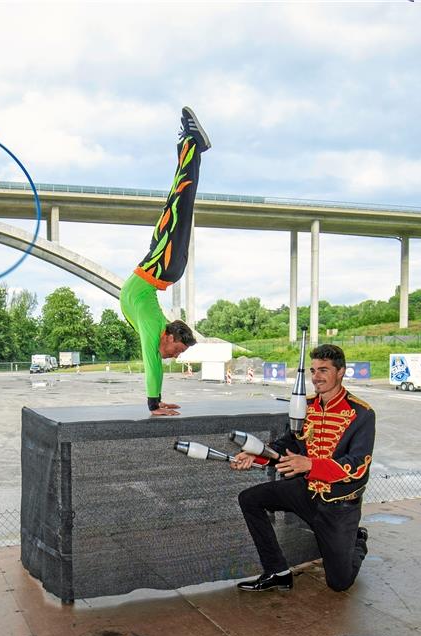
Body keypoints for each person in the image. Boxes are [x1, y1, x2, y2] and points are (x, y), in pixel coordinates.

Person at [231, 344, 374, 593]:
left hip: (339, 505)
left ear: (341, 372)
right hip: (305, 491)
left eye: (324, 370)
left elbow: (357, 466)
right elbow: (285, 447)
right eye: (313, 370)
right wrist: (255, 456)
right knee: (250, 499)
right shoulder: (303, 405)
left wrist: (309, 464)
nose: (316, 377)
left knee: (339, 584)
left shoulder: (361, 413)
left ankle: (357, 541)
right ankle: (277, 570)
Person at [119, 107, 207, 416]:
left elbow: (153, 360)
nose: (172, 357)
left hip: (160, 268)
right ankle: (191, 144)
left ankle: (190, 145)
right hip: (162, 266)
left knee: (179, 202)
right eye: (177, 350)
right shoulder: (154, 325)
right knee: (180, 201)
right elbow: (153, 361)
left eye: (177, 354)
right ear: (168, 336)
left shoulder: (153, 327)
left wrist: (155, 402)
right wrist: (153, 403)